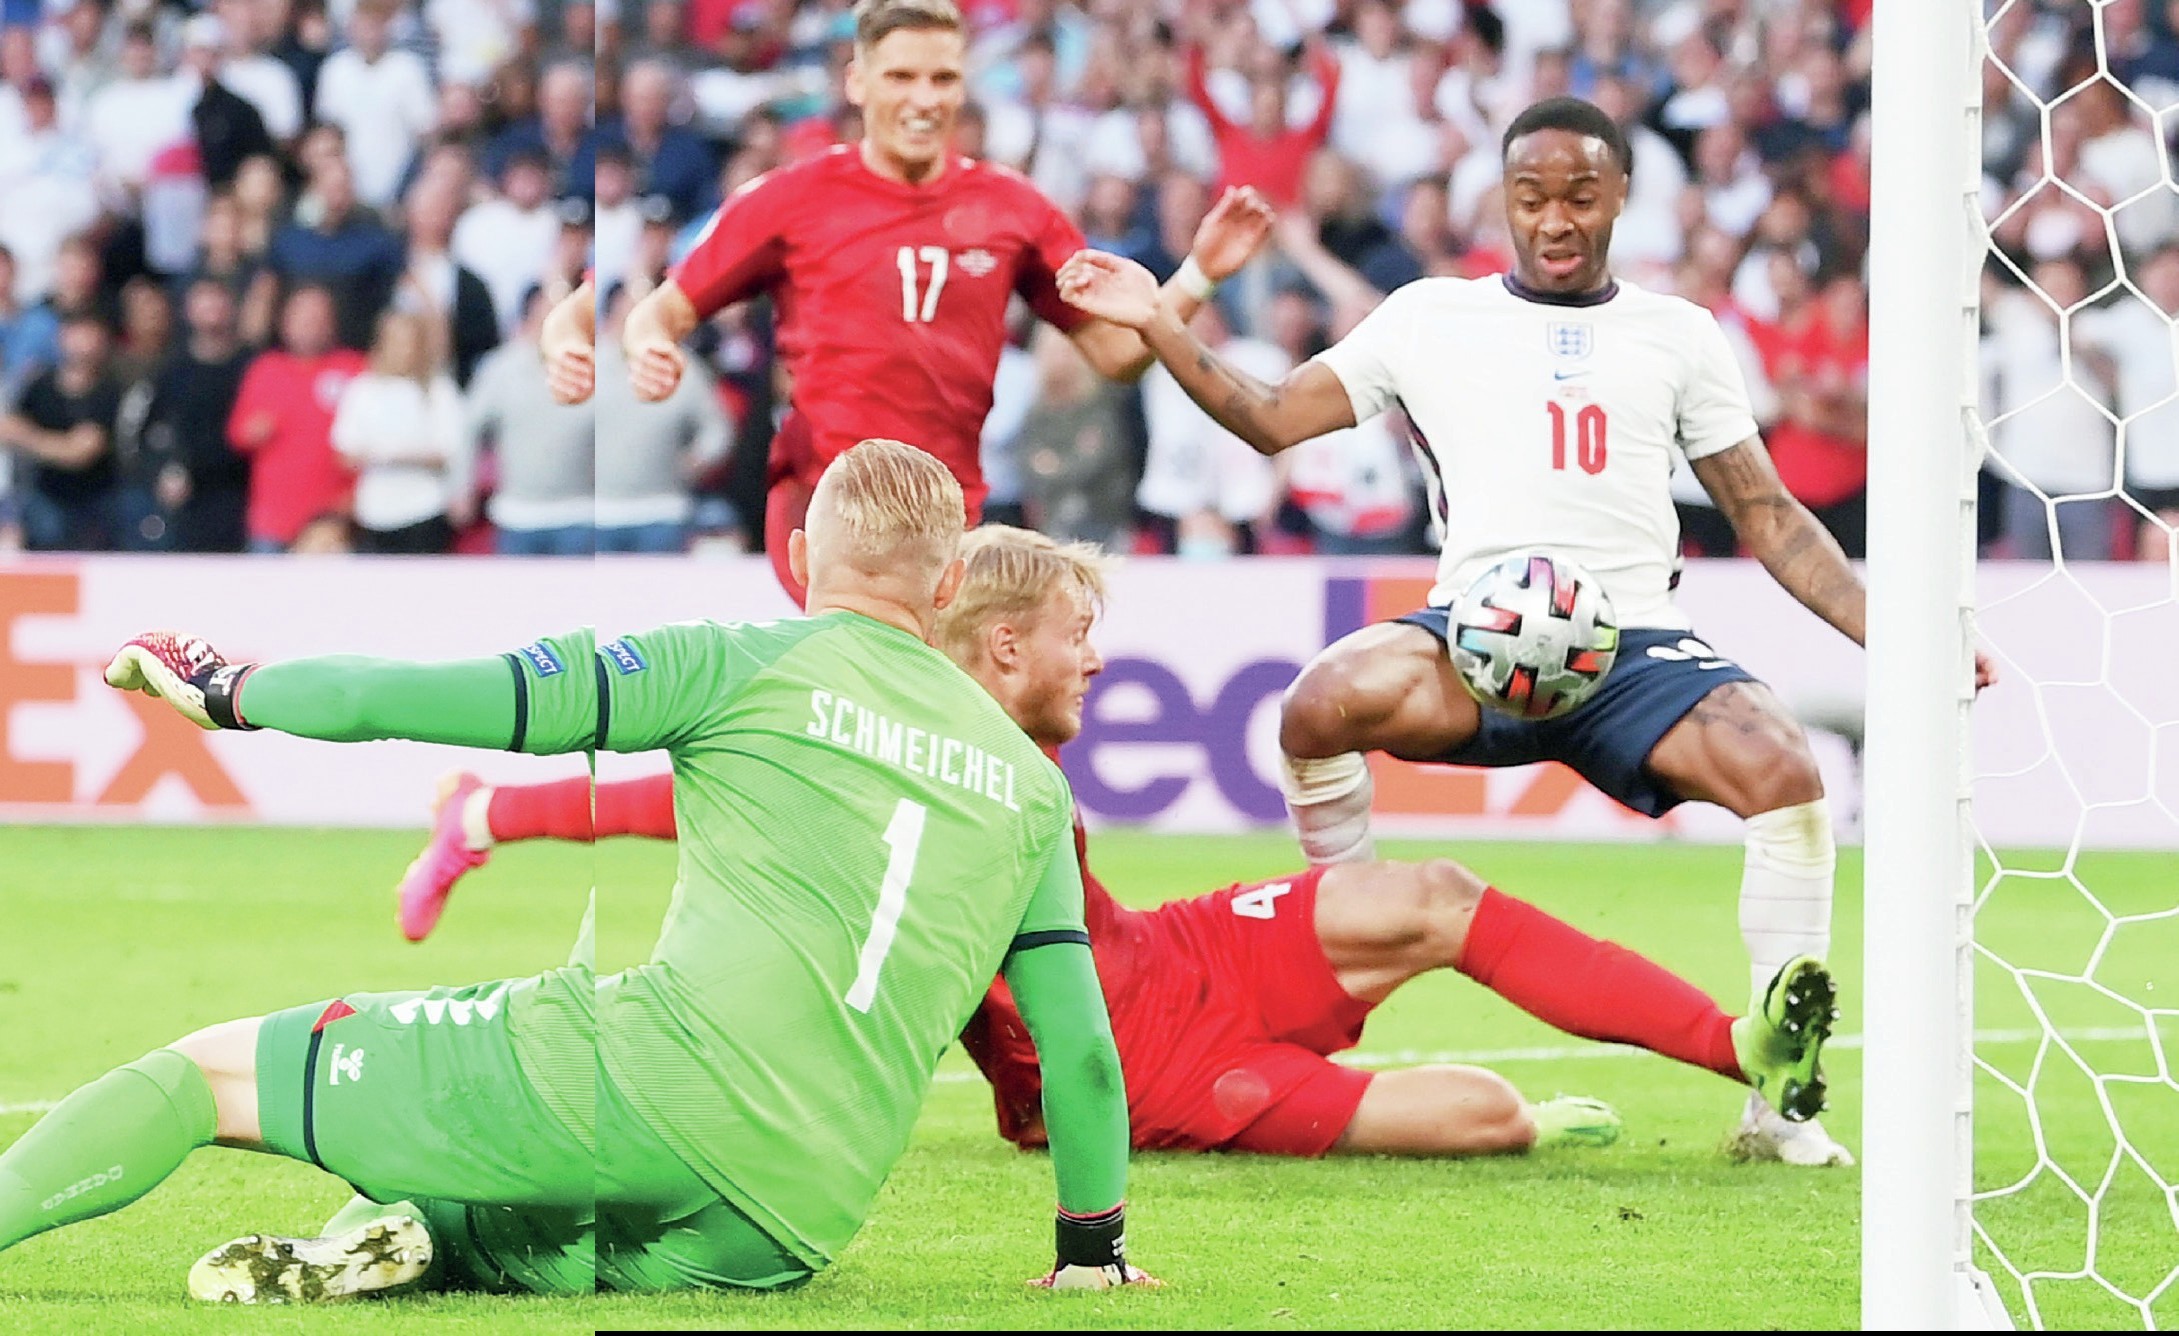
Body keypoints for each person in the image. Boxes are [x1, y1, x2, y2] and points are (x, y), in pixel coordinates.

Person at [1052, 95, 1996, 1168]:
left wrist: (1901, 636)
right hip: (1475, 636)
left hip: (1633, 646)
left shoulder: (1679, 333)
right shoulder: (1427, 317)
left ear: (1621, 199)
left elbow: (1768, 516)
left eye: (1580, 197)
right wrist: (1164, 318)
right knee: (1317, 704)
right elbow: (1271, 417)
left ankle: (1780, 1110)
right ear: (1503, 200)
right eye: (1532, 196)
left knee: (1782, 767)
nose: (1555, 219)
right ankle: (1342, 947)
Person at [0, 441, 1146, 1300]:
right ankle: (422, 1237)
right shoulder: (1035, 789)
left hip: (647, 1090)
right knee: (494, 1207)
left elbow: (415, 696)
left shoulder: (735, 664)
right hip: (793, 1217)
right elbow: (1083, 1054)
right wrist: (1090, 1253)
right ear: (950, 589)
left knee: (204, 1076)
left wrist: (232, 689)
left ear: (800, 561)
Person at [408, 526, 1837, 1158]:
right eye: (1084, 640)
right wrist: (494, 814)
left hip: (1162, 951)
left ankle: (1743, 1047)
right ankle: (1525, 1122)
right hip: (1143, 1072)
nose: (1101, 665)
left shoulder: (972, 723)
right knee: (1475, 1113)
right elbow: (690, 800)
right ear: (1011, 644)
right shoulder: (889, 757)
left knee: (1434, 893)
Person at [616, 0, 1272, 602]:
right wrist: (648, 344)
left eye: (942, 79)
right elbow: (663, 310)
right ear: (857, 82)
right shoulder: (788, 200)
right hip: (828, 514)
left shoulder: (1013, 209)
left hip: (950, 523)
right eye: (901, 77)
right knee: (875, 705)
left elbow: (1117, 353)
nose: (924, 100)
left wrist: (1198, 275)